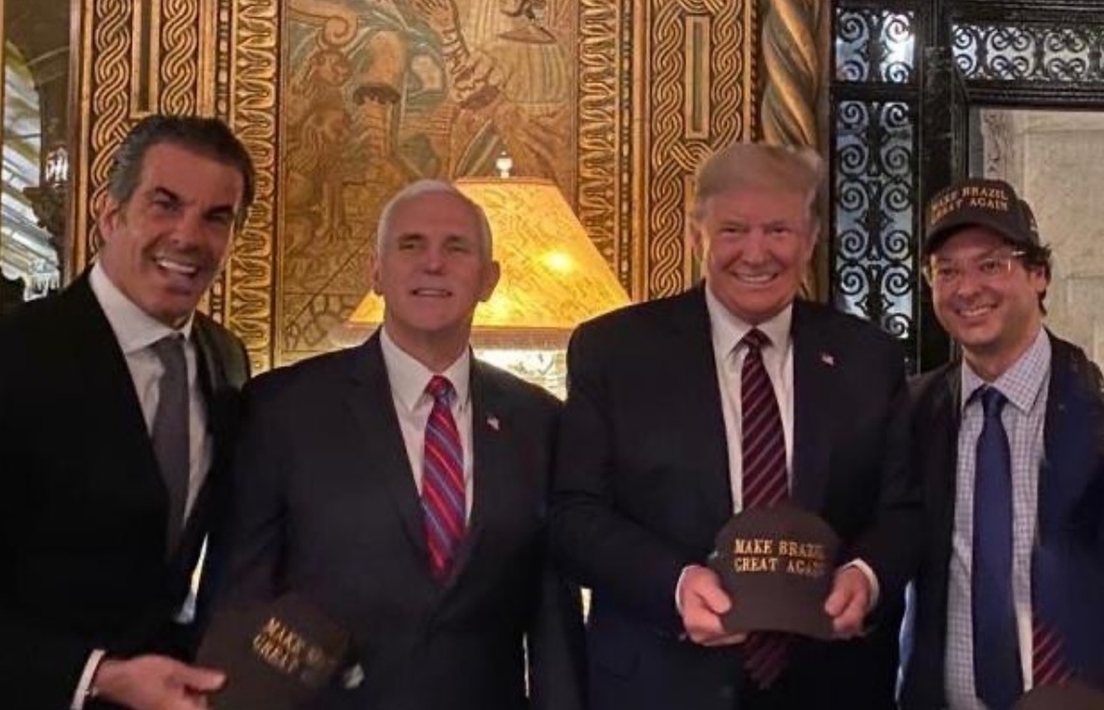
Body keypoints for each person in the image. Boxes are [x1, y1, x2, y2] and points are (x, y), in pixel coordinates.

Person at [551, 141, 921, 710]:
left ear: (810, 239)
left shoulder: (869, 358)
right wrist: (674, 585)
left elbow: (905, 512)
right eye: (733, 230)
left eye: (778, 230)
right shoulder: (614, 352)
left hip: (833, 686)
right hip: (661, 682)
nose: (756, 252)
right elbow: (574, 515)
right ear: (696, 233)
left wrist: (867, 576)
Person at [209, 179, 586, 710]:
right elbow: (242, 598)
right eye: (411, 245)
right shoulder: (283, 407)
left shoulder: (540, 420)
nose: (433, 263)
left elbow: (553, 621)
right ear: (376, 273)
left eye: (456, 247)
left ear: (489, 279)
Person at [0, 114, 254, 710]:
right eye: (165, 205)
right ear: (110, 214)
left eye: (216, 217)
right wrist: (98, 675)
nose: (189, 236)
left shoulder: (227, 359)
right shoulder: (15, 355)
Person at [900, 178, 1104, 710]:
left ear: (1039, 274)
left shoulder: (1096, 413)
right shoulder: (910, 415)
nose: (967, 289)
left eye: (991, 264)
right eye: (947, 271)